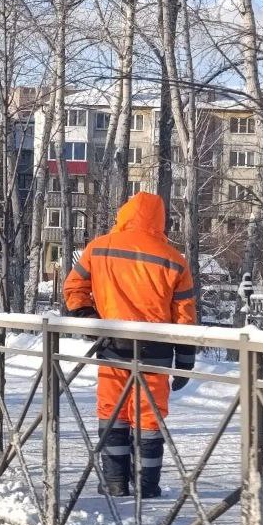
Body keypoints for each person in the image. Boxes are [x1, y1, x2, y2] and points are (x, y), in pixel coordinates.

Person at [63, 191, 197, 499]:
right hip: (157, 350)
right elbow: (184, 314)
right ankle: (147, 485)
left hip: (112, 345)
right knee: (149, 417)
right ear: (162, 221)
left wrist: (88, 317)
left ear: (124, 216)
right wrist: (185, 360)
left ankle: (114, 482)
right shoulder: (175, 261)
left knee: (112, 412)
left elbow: (74, 286)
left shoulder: (98, 249)